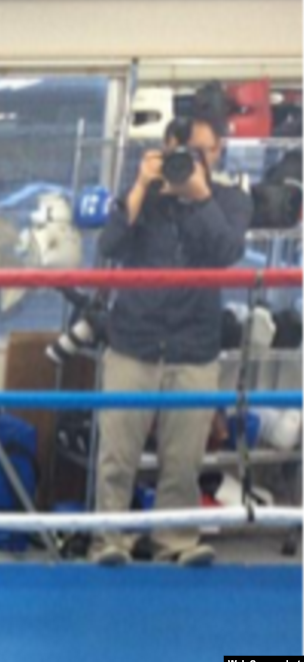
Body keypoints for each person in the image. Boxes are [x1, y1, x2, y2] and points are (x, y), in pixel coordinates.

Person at [91, 111, 252, 568]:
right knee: (117, 457)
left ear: (219, 152)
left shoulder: (230, 201)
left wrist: (199, 197)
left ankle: (175, 541)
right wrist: (141, 187)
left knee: (182, 462)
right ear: (165, 148)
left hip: (194, 346)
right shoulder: (144, 197)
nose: (196, 161)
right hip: (133, 341)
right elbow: (110, 245)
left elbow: (225, 252)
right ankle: (111, 541)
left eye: (205, 152)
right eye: (187, 153)